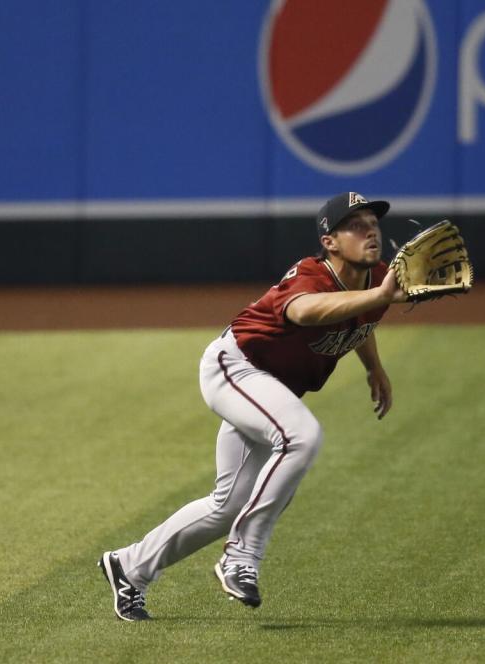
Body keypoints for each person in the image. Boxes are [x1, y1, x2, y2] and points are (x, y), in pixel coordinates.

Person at [98, 191, 405, 621]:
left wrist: (375, 368)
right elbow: (305, 311)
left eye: (373, 222)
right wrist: (380, 298)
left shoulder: (375, 277)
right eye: (356, 224)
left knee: (227, 505)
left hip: (270, 391)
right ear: (330, 240)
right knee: (302, 436)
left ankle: (129, 567)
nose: (370, 229)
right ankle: (241, 556)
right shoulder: (311, 273)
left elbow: (358, 318)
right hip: (235, 368)